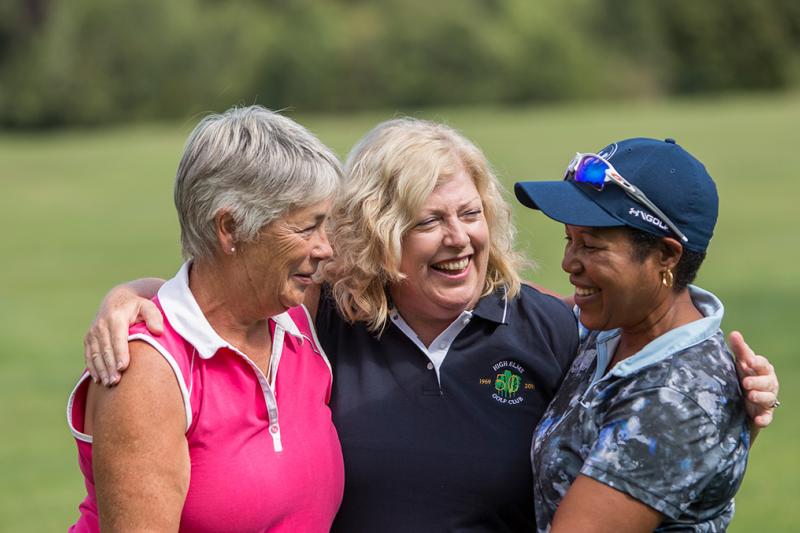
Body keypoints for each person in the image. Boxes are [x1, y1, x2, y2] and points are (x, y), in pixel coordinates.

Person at [80, 120, 779, 532]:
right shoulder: (319, 316)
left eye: (470, 214)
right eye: (428, 220)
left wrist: (727, 392)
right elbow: (221, 293)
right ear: (379, 233)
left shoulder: (551, 326)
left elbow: (653, 343)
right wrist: (130, 297)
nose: (458, 238)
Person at [67, 106, 344, 531]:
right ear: (230, 228)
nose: (326, 248)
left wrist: (129, 291)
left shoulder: (298, 316)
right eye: (307, 228)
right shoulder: (149, 372)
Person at [515, 137, 752, 531]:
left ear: (666, 255)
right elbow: (537, 305)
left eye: (591, 246)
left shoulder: (675, 401)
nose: (568, 262)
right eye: (569, 239)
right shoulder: (617, 324)